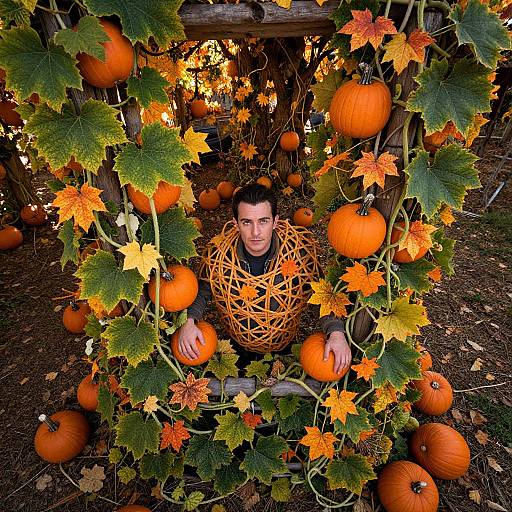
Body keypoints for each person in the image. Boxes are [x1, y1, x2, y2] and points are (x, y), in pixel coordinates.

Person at [177, 183, 351, 374]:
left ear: (275, 222)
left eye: (263, 221)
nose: (256, 232)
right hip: (236, 344)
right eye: (246, 222)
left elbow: (322, 297)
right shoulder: (219, 257)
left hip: (285, 345)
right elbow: (201, 291)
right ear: (235, 224)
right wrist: (189, 321)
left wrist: (336, 332)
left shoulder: (299, 254)